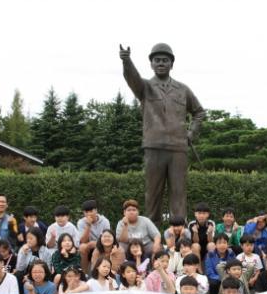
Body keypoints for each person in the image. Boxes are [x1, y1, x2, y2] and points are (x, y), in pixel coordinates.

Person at [119, 42, 205, 223]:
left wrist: (191, 133)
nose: (160, 63)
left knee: (179, 192)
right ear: (151, 64)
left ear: (171, 64)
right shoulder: (145, 87)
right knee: (152, 193)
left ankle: (179, 232)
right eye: (156, 60)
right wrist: (127, 61)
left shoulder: (183, 89)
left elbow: (199, 112)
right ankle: (151, 232)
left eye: (165, 60)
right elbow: (132, 78)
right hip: (154, 146)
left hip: (178, 148)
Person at [77, 200, 111, 272]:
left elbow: (108, 239)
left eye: (91, 211)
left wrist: (96, 243)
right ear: (83, 213)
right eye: (86, 212)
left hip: (103, 245)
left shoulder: (105, 221)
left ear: (96, 210)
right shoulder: (81, 222)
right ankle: (84, 273)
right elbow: (83, 241)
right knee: (82, 247)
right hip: (88, 247)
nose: (89, 214)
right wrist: (88, 225)